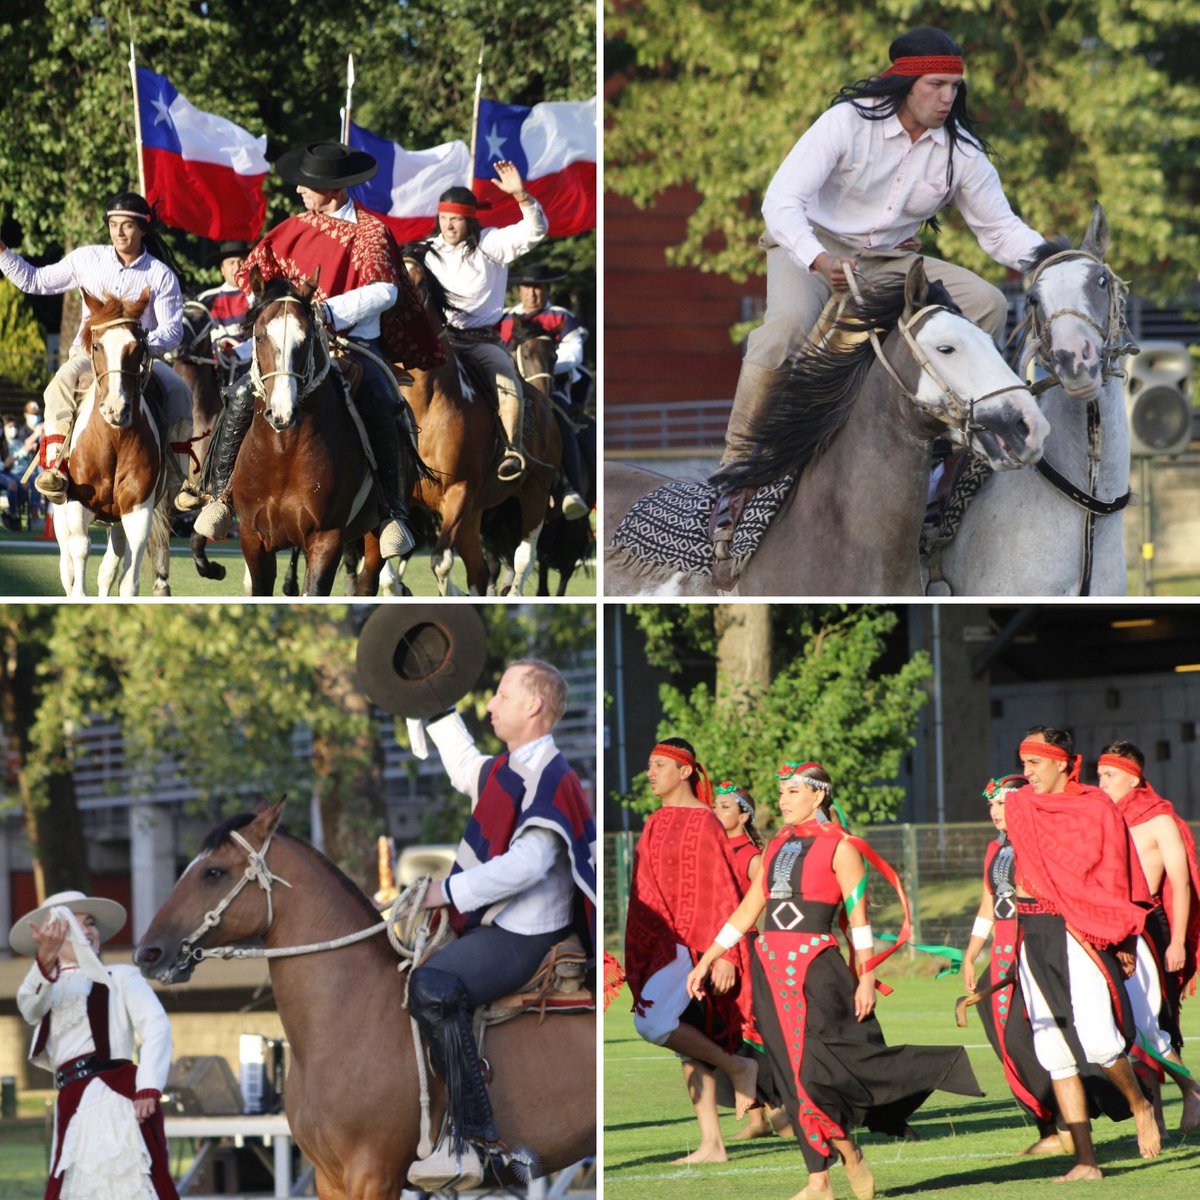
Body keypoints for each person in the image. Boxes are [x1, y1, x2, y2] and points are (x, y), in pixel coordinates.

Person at [711, 26, 1046, 553]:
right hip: (811, 245)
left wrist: (1053, 262)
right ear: (905, 83)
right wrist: (820, 260)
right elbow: (780, 201)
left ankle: (942, 450)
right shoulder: (846, 123)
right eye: (937, 85)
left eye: (955, 87)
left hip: (891, 258)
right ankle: (736, 471)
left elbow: (1000, 231)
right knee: (783, 332)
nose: (948, 97)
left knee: (987, 303)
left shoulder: (961, 150)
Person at [687, 761, 981, 1200]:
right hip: (770, 969)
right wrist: (707, 958)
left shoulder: (843, 847)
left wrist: (866, 977)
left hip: (817, 970)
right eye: (782, 793)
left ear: (818, 795)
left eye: (791, 793)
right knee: (789, 1075)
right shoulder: (776, 845)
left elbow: (859, 920)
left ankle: (852, 1153)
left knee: (816, 1072)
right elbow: (749, 908)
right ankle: (818, 1181)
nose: (783, 801)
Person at [191, 142, 444, 558]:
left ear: (334, 189)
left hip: (352, 342)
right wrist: (276, 304)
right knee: (240, 393)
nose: (299, 192)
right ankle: (217, 496)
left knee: (383, 399)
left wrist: (327, 312)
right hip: (289, 339)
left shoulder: (371, 231)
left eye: (307, 185)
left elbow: (386, 289)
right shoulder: (292, 227)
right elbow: (254, 273)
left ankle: (393, 510)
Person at [406, 659, 596, 1178]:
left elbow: (529, 865)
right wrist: (433, 705)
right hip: (504, 925)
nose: (491, 705)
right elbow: (466, 767)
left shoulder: (553, 778)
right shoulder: (509, 770)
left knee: (433, 984)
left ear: (533, 705)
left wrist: (445, 891)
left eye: (503, 697)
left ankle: (475, 1138)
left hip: (526, 935)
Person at [1004, 726, 1160, 1181]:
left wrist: (1124, 939)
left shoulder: (1095, 807)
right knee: (1052, 1048)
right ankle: (1086, 1162)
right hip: (1033, 929)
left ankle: (1139, 1104)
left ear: (1061, 762)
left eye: (1034, 763)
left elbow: (1117, 873)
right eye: (1024, 762)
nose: (1026, 772)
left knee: (1098, 1041)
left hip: (1080, 930)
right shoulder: (1019, 804)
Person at [0, 193, 194, 508]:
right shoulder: (86, 258)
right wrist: (2, 251)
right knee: (57, 387)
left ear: (143, 229)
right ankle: (55, 470)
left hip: (137, 360)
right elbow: (34, 280)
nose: (119, 232)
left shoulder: (161, 274)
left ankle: (179, 482)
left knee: (181, 392)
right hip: (87, 356)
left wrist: (139, 343)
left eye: (127, 225)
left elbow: (173, 330)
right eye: (113, 224)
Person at [623, 738, 758, 1164]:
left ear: (685, 771)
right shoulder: (653, 822)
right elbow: (643, 892)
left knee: (653, 1023)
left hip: (697, 948)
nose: (651, 772)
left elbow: (723, 891)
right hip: (664, 945)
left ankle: (741, 1068)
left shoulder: (706, 823)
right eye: (650, 764)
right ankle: (712, 1144)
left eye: (660, 764)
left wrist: (723, 956)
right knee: (684, 1039)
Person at [10, 889, 179, 1200]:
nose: (88, 930)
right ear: (54, 935)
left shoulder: (121, 977)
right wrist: (44, 962)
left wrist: (148, 1087)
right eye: (76, 925)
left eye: (91, 923)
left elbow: (156, 1027)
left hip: (112, 1097)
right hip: (71, 1103)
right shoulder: (45, 986)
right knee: (76, 1185)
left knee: (121, 1180)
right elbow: (28, 1008)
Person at [963, 774, 1084, 1157]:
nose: (995, 812)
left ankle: (1068, 1124)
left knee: (1028, 1037)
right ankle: (1048, 1126)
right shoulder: (995, 849)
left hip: (1032, 947)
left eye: (1002, 804)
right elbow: (990, 901)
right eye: (992, 806)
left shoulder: (1041, 842)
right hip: (1000, 952)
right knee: (1006, 1043)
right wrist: (971, 951)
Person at [1096, 739, 1200, 1135]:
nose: (1101, 782)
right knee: (1124, 1024)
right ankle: (1155, 1114)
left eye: (1110, 775)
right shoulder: (1103, 817)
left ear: (1133, 777)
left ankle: (1190, 1091)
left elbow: (1182, 883)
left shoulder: (1160, 820)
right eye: (1099, 774)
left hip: (1148, 929)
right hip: (1110, 927)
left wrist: (1176, 942)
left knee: (1148, 1020)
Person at [422, 162, 547, 483]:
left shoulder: (491, 244)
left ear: (470, 219)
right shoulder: (427, 251)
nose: (448, 226)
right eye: (444, 218)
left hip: (480, 342)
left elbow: (536, 231)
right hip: (436, 341)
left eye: (456, 219)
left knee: (508, 384)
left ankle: (511, 450)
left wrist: (521, 195)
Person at [499, 261, 590, 520]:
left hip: (553, 387)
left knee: (560, 421)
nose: (533, 293)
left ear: (548, 290)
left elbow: (574, 354)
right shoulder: (504, 318)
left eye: (539, 288)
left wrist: (539, 369)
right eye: (528, 287)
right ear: (519, 290)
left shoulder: (562, 317)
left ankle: (570, 486)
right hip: (510, 387)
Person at [195, 239, 252, 383]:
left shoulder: (258, 298)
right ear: (222, 269)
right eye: (231, 263)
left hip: (250, 365)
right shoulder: (204, 300)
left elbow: (265, 337)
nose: (237, 267)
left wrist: (238, 352)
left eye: (241, 261)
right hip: (212, 365)